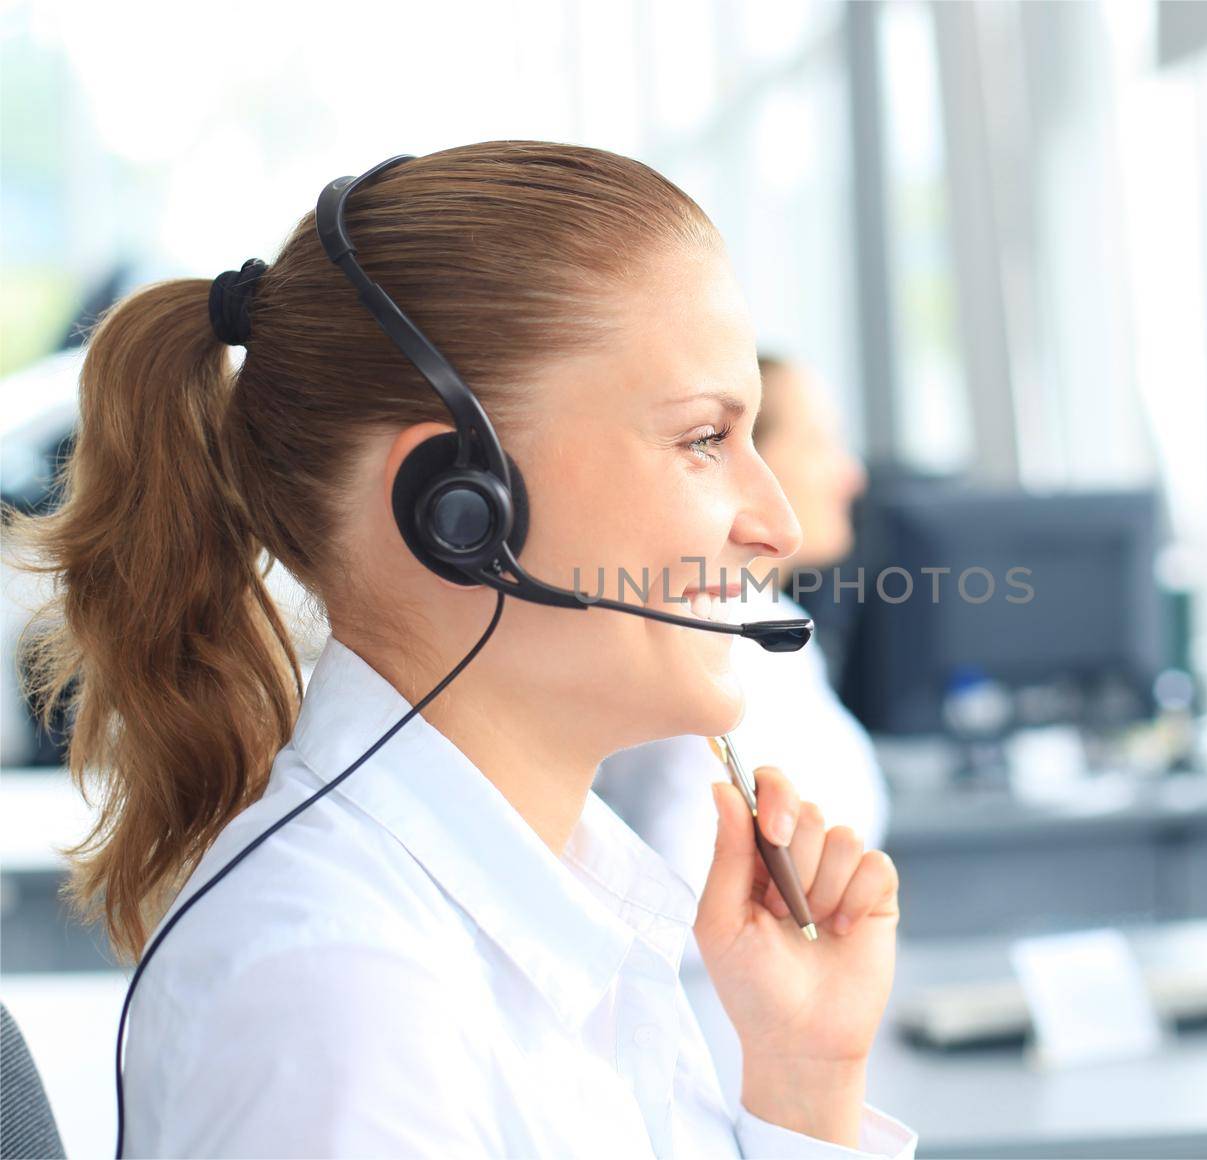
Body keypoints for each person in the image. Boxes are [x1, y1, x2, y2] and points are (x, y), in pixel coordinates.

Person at [8, 143, 914, 1158]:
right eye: (703, 437)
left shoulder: (550, 918)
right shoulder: (344, 994)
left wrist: (801, 1083)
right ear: (454, 505)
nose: (776, 526)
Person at [595, 356, 887, 933]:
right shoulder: (717, 643)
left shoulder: (775, 627)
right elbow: (685, 900)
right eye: (820, 443)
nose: (852, 475)